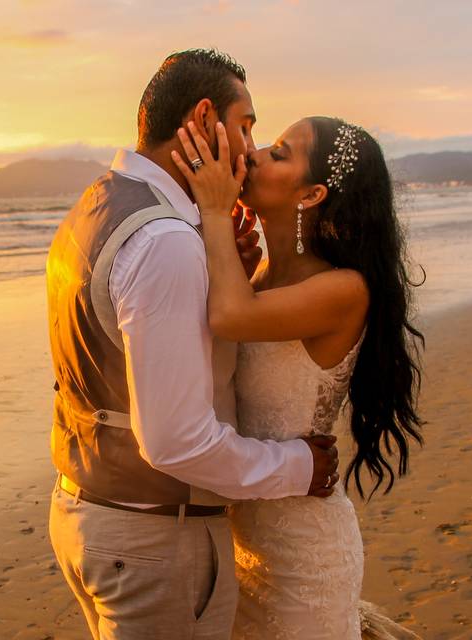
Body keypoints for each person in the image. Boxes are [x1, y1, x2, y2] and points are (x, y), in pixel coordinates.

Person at [46, 48, 340, 640]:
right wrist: (297, 466)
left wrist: (218, 259)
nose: (250, 147)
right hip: (157, 539)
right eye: (246, 125)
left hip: (89, 513)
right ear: (205, 121)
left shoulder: (99, 203)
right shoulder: (165, 241)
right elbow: (177, 442)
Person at [171, 116, 424, 638]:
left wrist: (216, 211)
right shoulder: (255, 278)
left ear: (311, 195)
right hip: (241, 544)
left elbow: (230, 319)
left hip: (304, 554)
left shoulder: (343, 290)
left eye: (280, 153)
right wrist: (222, 252)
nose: (256, 153)